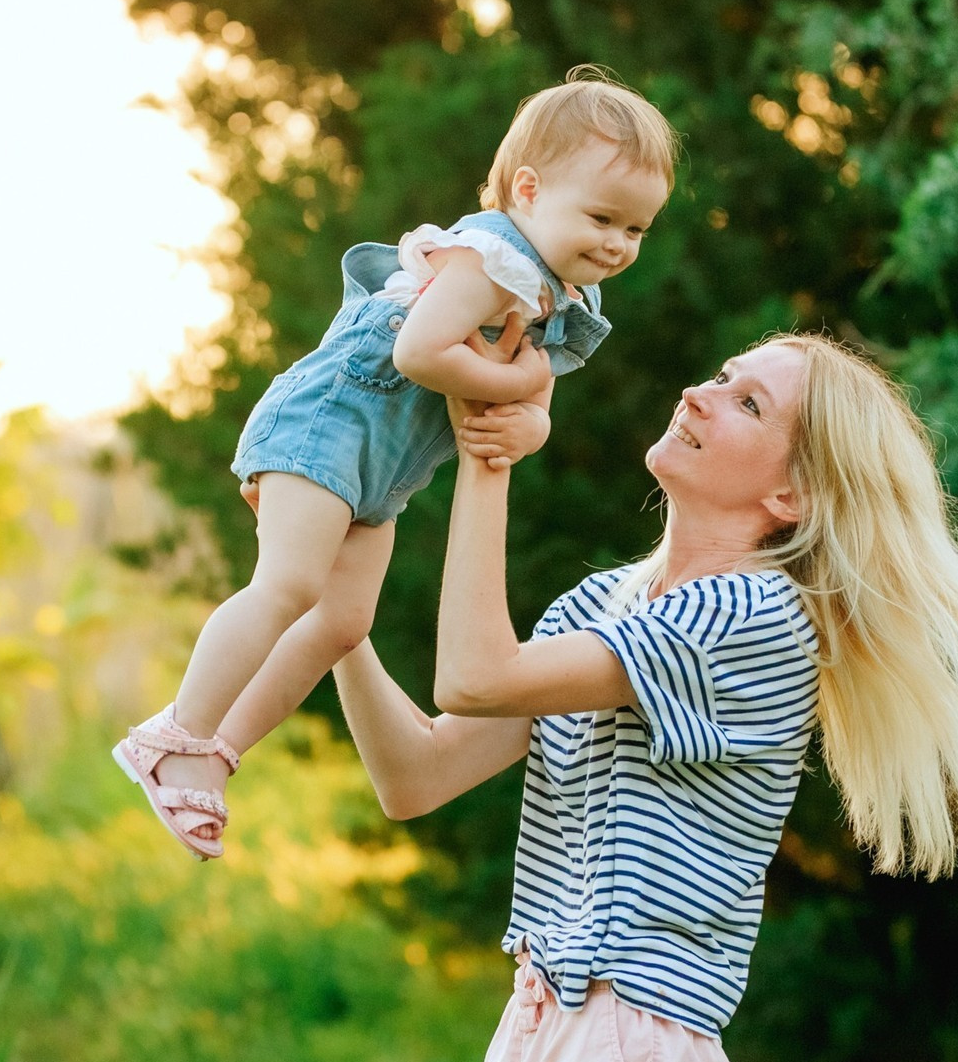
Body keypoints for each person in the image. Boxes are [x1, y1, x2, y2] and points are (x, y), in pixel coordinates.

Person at [330, 334, 958, 1062]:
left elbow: (473, 680)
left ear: (790, 495)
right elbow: (416, 778)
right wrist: (340, 618)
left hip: (635, 1047)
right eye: (720, 376)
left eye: (749, 403)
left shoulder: (750, 615)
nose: (700, 393)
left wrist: (492, 457)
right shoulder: (604, 605)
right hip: (537, 1030)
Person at [112, 69, 679, 859]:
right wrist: (517, 382)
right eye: (603, 217)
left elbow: (532, 407)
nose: (618, 244)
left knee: (344, 622)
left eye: (637, 230)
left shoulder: (560, 299)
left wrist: (527, 427)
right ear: (526, 189)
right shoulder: (489, 256)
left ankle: (217, 752)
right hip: (332, 423)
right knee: (290, 586)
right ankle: (174, 731)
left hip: (387, 470)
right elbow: (420, 353)